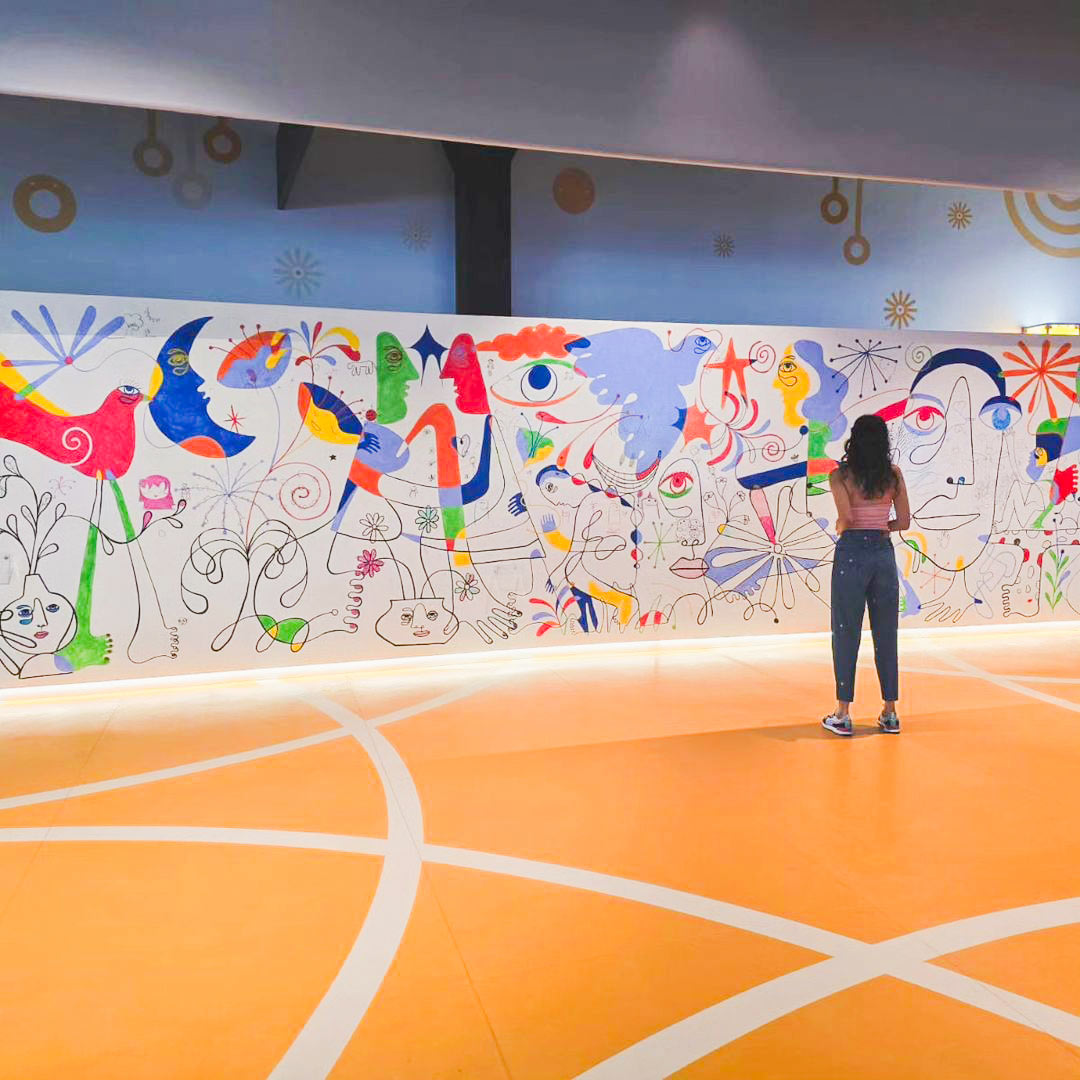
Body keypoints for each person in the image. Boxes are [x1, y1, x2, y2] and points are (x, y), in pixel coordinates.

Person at [822, 414, 910, 736]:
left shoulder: (840, 476)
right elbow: (904, 521)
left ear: (854, 441)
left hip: (852, 554)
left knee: (846, 630)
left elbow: (845, 518)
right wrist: (881, 526)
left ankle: (843, 713)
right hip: (882, 554)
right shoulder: (893, 475)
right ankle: (890, 712)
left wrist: (840, 528)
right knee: (886, 632)